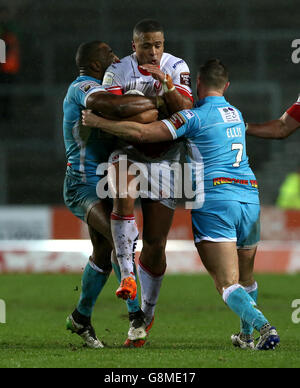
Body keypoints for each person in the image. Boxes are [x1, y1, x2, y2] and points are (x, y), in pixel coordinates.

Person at [82, 58, 280, 350]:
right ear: (227, 86)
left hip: (216, 200)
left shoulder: (194, 117)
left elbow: (142, 134)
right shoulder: (236, 114)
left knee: (226, 282)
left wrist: (99, 121)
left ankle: (265, 329)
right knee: (247, 277)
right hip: (250, 196)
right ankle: (245, 335)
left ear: (197, 85)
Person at [102, 19, 193, 347]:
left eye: (158, 45)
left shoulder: (176, 66)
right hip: (126, 149)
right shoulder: (118, 71)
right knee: (122, 197)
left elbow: (185, 112)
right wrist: (146, 112)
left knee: (155, 245)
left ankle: (146, 314)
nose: (153, 52)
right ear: (134, 45)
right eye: (146, 46)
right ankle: (127, 273)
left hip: (166, 158)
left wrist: (166, 87)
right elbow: (109, 112)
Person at [63, 40, 159, 348]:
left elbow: (120, 109)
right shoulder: (83, 87)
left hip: (104, 185)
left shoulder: (107, 88)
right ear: (94, 64)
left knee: (104, 255)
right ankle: (136, 318)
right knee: (124, 236)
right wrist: (150, 103)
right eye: (109, 54)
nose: (116, 57)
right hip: (81, 186)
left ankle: (80, 317)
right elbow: (110, 106)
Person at [0, 6, 20, 121]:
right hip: (4, 68)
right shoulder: (4, 30)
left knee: (8, 95)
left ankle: (6, 116)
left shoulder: (11, 28)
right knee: (4, 94)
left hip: (10, 68)